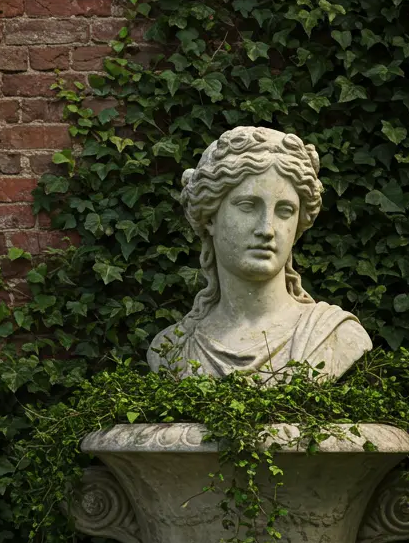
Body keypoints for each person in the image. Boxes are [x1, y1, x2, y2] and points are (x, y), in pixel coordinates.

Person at [147, 125, 372, 381]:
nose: (267, 229)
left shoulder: (334, 337)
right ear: (209, 217)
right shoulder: (171, 349)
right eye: (247, 206)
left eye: (285, 211)